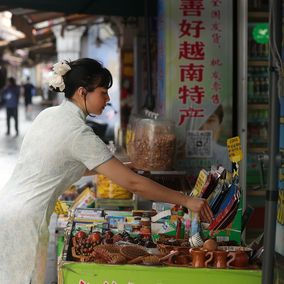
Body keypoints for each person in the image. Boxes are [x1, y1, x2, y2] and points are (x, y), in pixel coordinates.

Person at [0, 58, 213, 283]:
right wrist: (186, 200)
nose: (108, 99)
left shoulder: (49, 115)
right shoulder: (78, 133)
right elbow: (134, 184)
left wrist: (120, 168)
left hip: (8, 208)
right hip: (27, 220)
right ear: (83, 92)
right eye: (103, 92)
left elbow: (60, 167)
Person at [199, 104, 231, 171]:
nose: (204, 129)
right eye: (198, 122)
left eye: (210, 120)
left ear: (220, 125)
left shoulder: (227, 155)